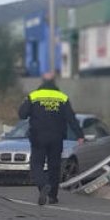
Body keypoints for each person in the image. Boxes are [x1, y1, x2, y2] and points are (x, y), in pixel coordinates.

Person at [19, 73, 85, 206]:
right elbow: (71, 118)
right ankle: (53, 197)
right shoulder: (62, 97)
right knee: (54, 167)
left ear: (42, 82)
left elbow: (22, 114)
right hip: (57, 137)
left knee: (36, 164)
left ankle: (43, 186)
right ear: (55, 83)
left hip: (38, 137)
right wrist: (79, 135)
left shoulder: (34, 96)